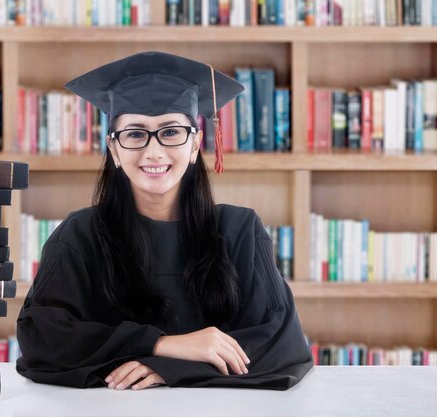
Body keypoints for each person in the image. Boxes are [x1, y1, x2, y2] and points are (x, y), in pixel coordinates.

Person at [16, 51, 314, 391]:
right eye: (135, 134)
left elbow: (281, 343)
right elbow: (41, 335)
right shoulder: (79, 236)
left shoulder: (239, 231)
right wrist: (162, 345)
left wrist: (168, 369)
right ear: (113, 149)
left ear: (195, 145)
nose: (154, 152)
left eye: (171, 132)